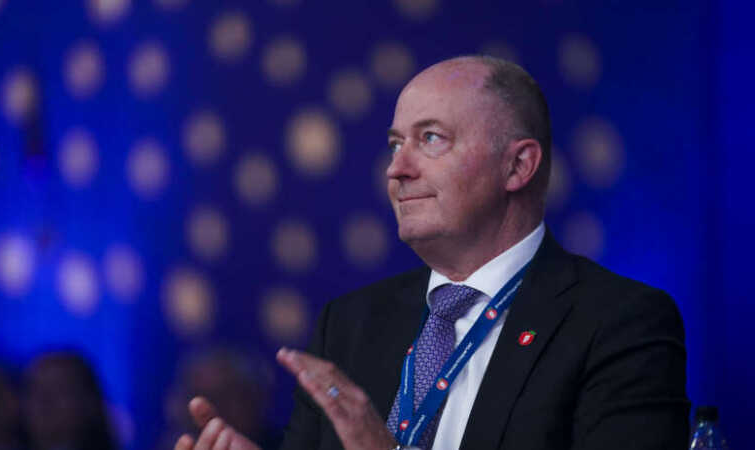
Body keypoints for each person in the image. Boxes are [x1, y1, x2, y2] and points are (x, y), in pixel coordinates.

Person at [174, 55, 689, 450]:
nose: (397, 169)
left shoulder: (618, 322)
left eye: (431, 139)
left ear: (517, 167)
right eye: (396, 144)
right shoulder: (348, 324)